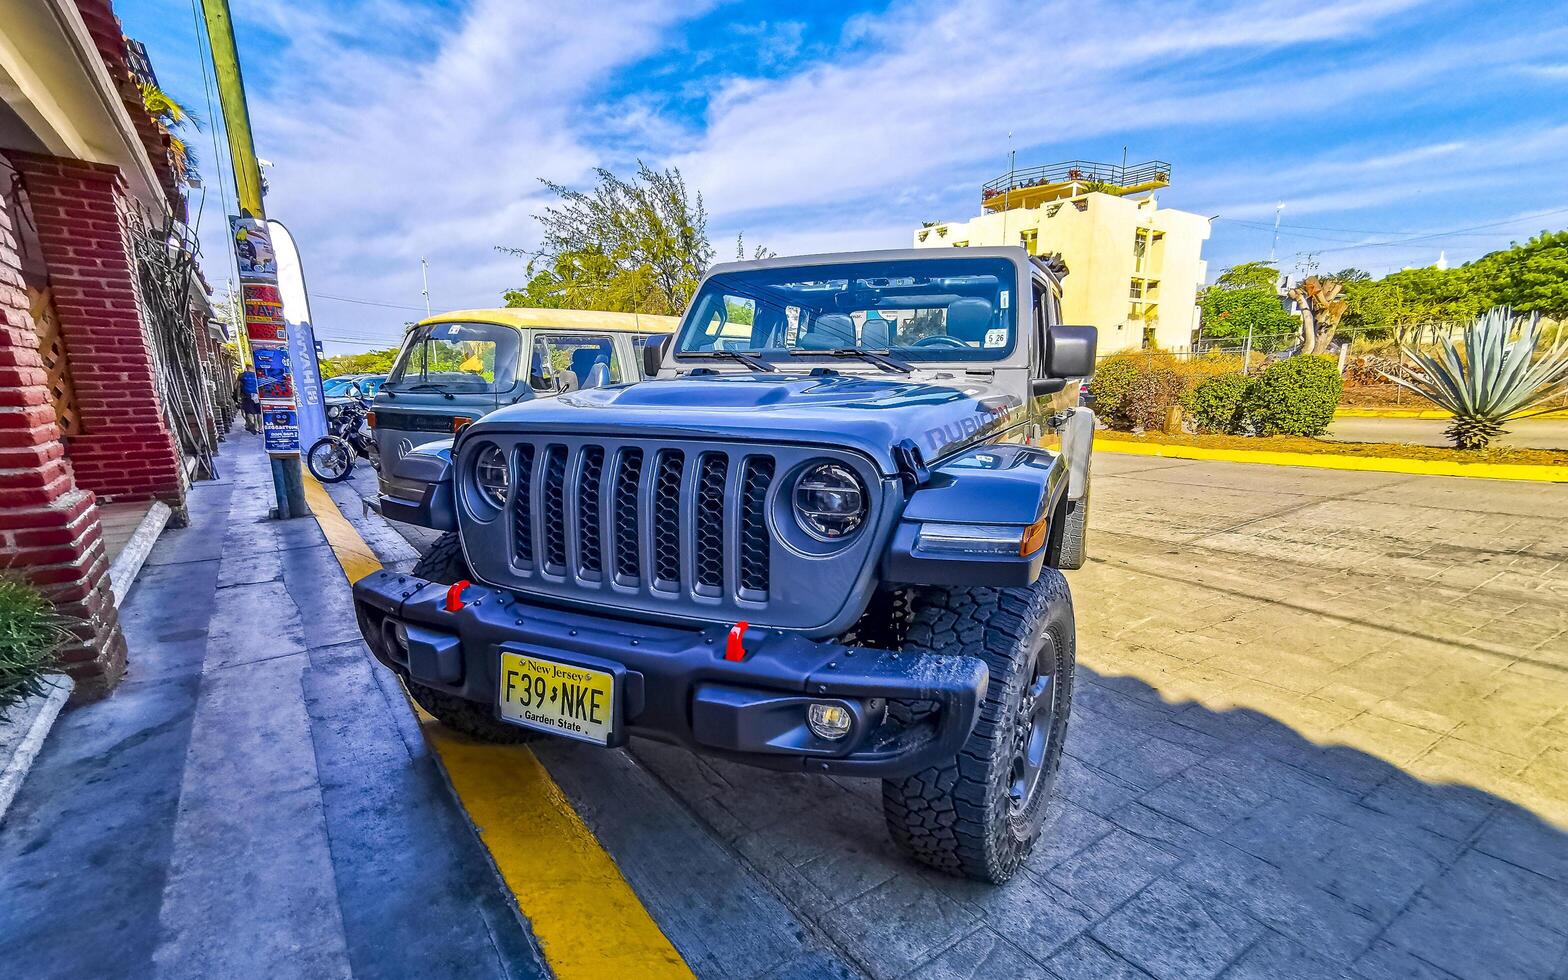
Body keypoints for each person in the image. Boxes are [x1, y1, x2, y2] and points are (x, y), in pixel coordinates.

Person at [234, 368, 261, 434]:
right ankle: (260, 428)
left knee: (249, 412)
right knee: (258, 412)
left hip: (247, 396)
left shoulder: (242, 375)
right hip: (257, 395)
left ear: (246, 368)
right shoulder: (257, 375)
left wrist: (238, 397)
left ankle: (252, 424)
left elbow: (237, 387)